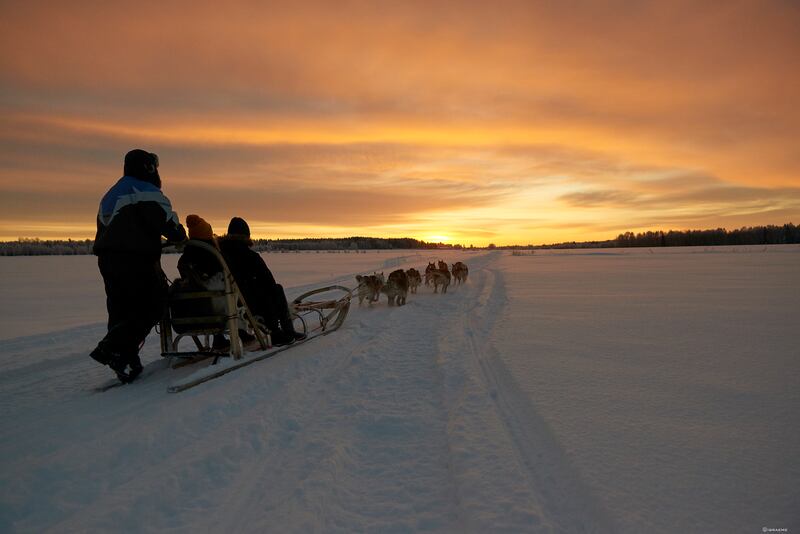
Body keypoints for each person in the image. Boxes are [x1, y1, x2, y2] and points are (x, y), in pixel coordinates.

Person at [90, 149, 187, 382]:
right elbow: (172, 228)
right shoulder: (147, 192)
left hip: (108, 261)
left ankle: (126, 359)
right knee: (154, 305)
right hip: (136, 260)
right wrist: (179, 236)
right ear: (149, 168)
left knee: (120, 308)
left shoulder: (112, 193)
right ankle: (112, 349)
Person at [219, 217, 305, 346]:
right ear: (246, 236)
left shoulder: (220, 255)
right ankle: (281, 331)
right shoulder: (251, 257)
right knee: (276, 289)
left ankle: (242, 333)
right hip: (250, 306)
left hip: (227, 303)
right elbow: (268, 281)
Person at [176, 214, 228, 351]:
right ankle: (235, 334)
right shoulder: (213, 256)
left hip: (193, 308)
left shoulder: (185, 259)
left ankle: (220, 338)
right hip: (214, 306)